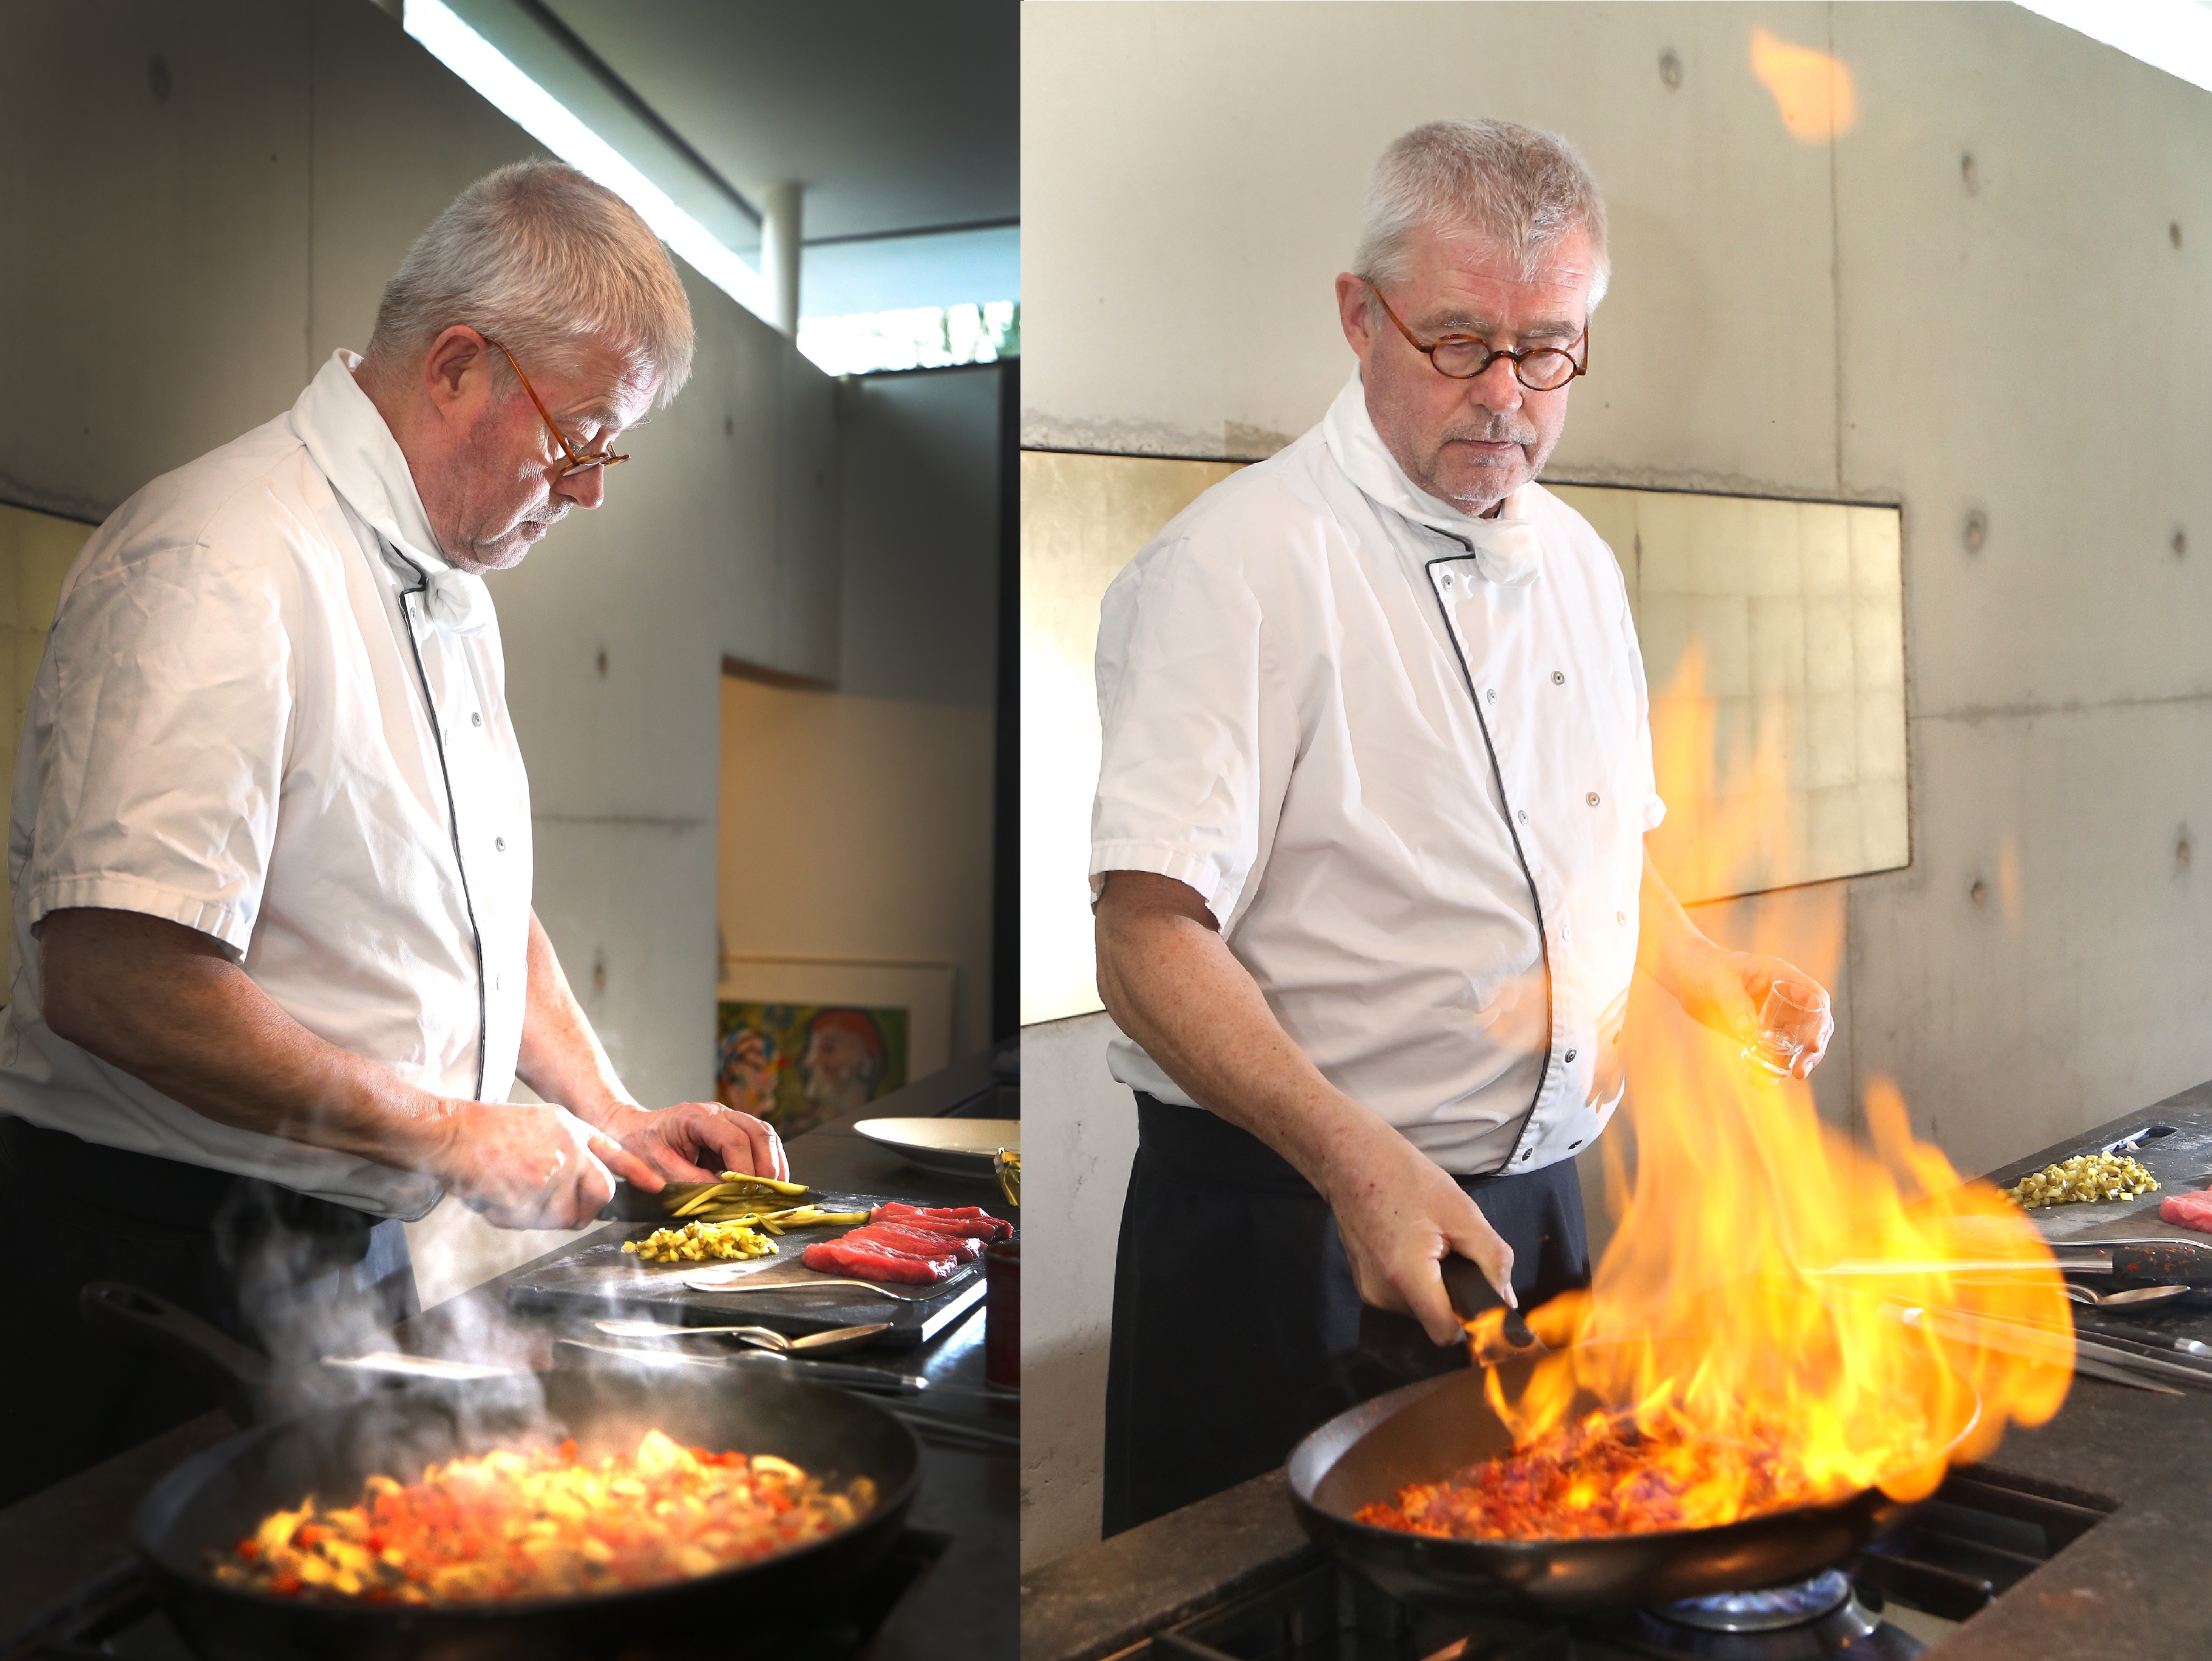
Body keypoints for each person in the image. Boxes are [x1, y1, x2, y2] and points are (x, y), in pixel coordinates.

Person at [0, 161, 785, 1506]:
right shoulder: (220, 556)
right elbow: (113, 977)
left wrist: (607, 1112)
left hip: (339, 1244)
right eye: (582, 437)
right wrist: (454, 1133)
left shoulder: (444, 580)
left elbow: (476, 900)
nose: (591, 492)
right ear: (461, 367)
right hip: (148, 1261)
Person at [1089, 120, 1836, 1534]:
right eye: (1459, 343)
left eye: (1548, 349)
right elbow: (1145, 937)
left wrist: (1703, 978)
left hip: (1552, 1209)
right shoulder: (1231, 570)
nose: (1507, 395)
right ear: (1358, 317)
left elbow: (1595, 847)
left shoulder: (1578, 563)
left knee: (1554, 1578)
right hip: (1293, 1222)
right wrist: (1350, 1155)